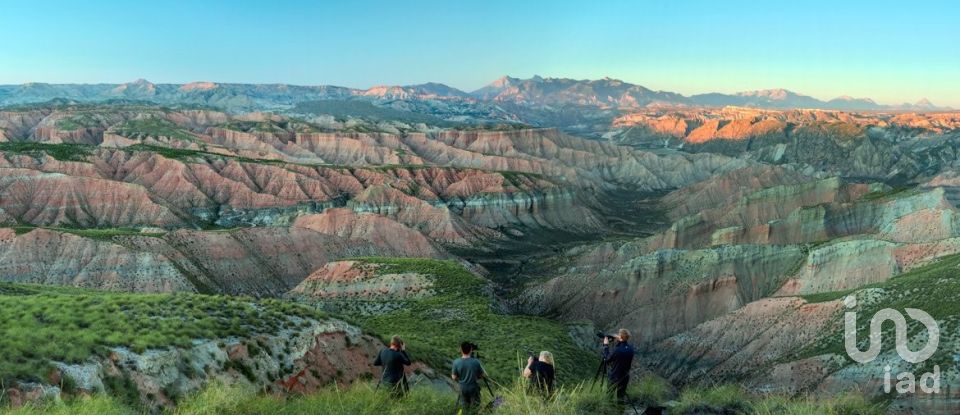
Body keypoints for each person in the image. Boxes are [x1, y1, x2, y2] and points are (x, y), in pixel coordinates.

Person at [602, 328, 636, 404]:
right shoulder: (631, 349)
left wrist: (606, 346)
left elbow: (607, 359)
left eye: (618, 334)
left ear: (620, 337)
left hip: (615, 377)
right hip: (625, 377)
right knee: (620, 398)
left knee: (609, 398)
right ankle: (620, 409)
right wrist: (619, 339)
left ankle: (609, 409)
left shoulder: (617, 350)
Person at [451, 341, 486, 413]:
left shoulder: (456, 362)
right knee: (475, 408)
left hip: (462, 387)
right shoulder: (476, 362)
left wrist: (461, 379)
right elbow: (482, 375)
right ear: (471, 350)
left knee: (465, 408)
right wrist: (476, 377)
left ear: (461, 350)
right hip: (473, 387)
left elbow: (454, 377)